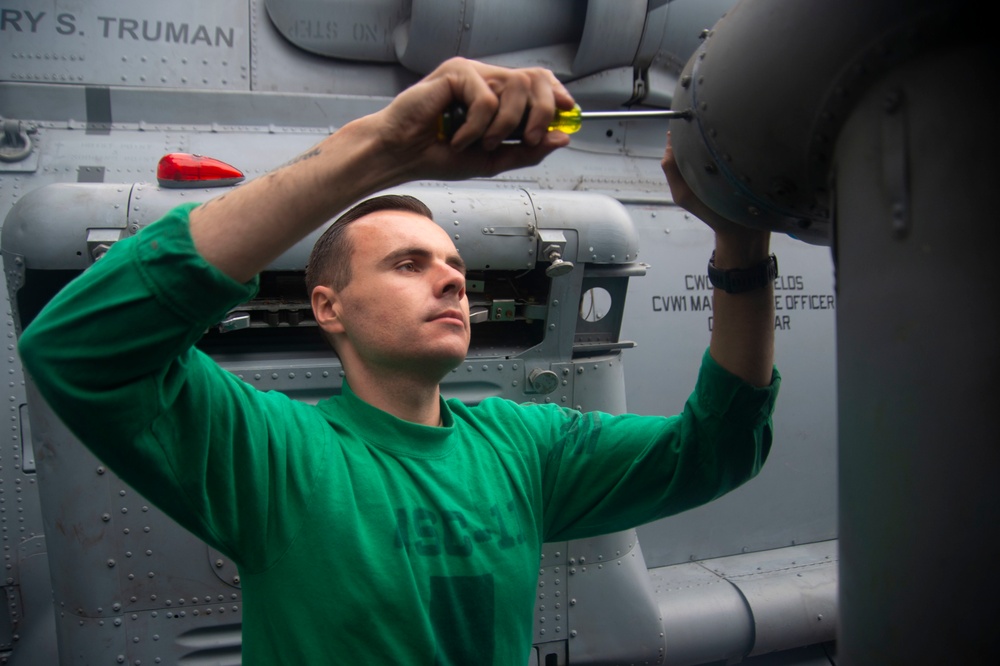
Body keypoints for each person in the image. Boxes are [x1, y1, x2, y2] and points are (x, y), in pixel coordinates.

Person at [17, 57, 779, 664]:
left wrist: (740, 247)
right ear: (328, 308)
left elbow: (716, 448)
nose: (453, 277)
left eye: (453, 265)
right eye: (408, 264)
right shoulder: (274, 455)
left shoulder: (529, 448)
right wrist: (377, 151)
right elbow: (76, 349)